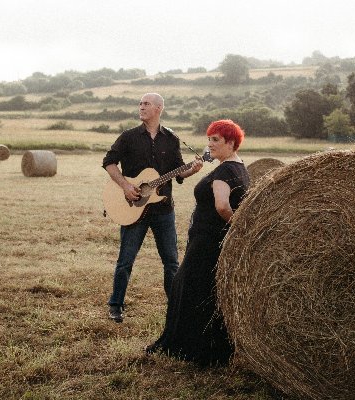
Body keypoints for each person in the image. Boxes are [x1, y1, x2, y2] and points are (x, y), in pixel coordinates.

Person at [145, 119, 250, 366]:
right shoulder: (240, 168)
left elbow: (223, 206)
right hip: (214, 239)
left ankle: (190, 348)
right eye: (209, 139)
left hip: (208, 240)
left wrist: (237, 228)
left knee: (188, 288)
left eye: (216, 140)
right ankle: (206, 348)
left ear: (231, 143)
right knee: (205, 291)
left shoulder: (224, 171)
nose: (210, 144)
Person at [102, 93, 203, 323]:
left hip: (163, 210)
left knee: (171, 262)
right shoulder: (128, 137)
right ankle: (116, 305)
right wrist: (126, 185)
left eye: (146, 104)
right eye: (140, 103)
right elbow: (108, 162)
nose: (141, 107)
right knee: (125, 261)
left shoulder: (171, 138)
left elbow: (179, 170)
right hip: (133, 208)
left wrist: (193, 169)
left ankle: (175, 306)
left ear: (158, 108)